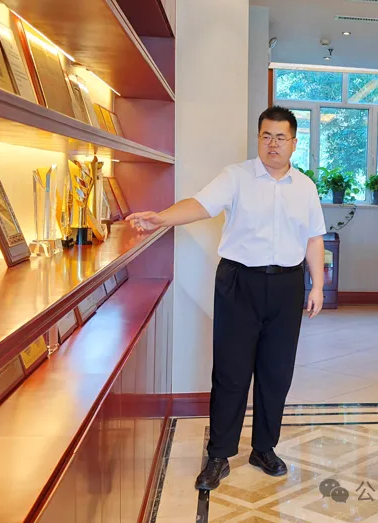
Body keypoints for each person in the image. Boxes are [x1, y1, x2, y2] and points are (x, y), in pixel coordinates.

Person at [126, 106, 326, 491]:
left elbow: (314, 237)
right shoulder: (236, 177)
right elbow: (199, 205)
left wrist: (316, 285)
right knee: (231, 372)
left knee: (276, 373)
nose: (273, 144)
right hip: (239, 282)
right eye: (266, 136)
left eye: (281, 137)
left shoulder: (305, 187)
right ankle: (219, 455)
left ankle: (264, 448)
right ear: (258, 138)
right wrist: (162, 218)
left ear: (294, 142)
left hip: (286, 286)